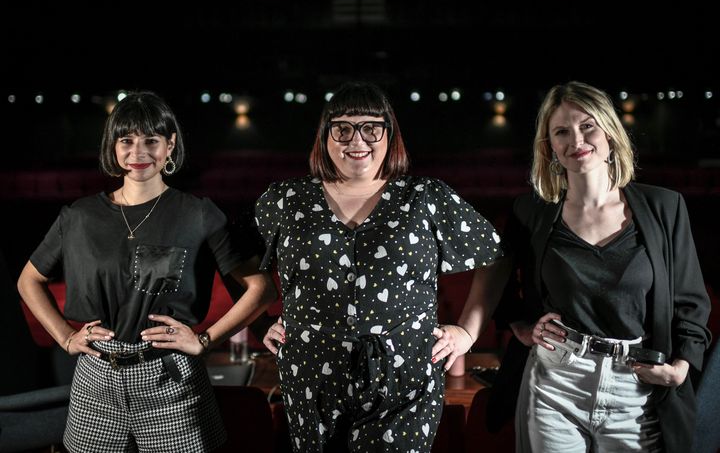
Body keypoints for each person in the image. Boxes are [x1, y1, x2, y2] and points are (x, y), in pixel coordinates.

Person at [16, 91, 277, 452]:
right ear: (113, 146)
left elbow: (260, 288)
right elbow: (28, 279)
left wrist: (204, 340)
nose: (138, 153)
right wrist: (65, 337)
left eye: (151, 140)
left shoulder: (197, 214)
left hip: (170, 379)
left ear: (170, 145)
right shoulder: (78, 216)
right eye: (127, 141)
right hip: (96, 379)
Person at [256, 81, 505, 452]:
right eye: (342, 128)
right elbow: (240, 264)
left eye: (371, 128)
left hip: (404, 376)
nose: (357, 140)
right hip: (310, 375)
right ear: (325, 137)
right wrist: (266, 321)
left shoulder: (426, 197)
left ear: (390, 135)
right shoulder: (285, 200)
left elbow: (494, 257)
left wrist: (468, 333)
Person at [491, 81, 711, 452]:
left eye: (587, 126)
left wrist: (682, 367)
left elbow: (691, 301)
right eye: (561, 131)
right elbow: (497, 288)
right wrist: (524, 327)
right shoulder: (530, 213)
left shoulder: (664, 207)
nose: (576, 139)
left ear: (610, 131)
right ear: (550, 148)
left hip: (636, 384)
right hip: (556, 380)